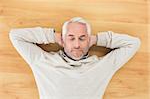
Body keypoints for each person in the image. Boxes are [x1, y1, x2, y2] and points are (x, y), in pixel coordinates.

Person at [9, 17, 141, 99]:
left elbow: (134, 43)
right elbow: (15, 36)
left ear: (88, 40)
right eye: (71, 38)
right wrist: (53, 36)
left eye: (82, 38)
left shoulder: (103, 66)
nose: (77, 45)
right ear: (63, 40)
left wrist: (97, 39)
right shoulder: (42, 61)